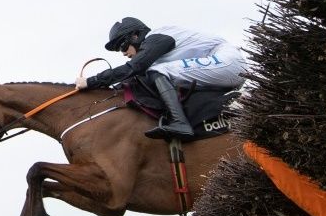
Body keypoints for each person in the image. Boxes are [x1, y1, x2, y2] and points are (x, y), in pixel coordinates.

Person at [76, 17, 250, 139]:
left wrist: (91, 82)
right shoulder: (155, 48)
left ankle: (179, 123)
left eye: (123, 45)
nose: (123, 53)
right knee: (156, 72)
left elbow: (134, 67)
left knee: (158, 71)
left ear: (136, 36)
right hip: (223, 65)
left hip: (228, 61)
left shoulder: (156, 37)